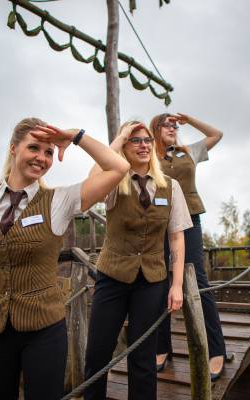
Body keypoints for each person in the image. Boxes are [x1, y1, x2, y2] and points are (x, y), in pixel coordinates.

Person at [0, 118, 130, 400]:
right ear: (13, 149)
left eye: (48, 152)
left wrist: (75, 136)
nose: (42, 158)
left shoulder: (59, 200)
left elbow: (118, 167)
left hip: (44, 331)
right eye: (34, 148)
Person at [84, 122, 193, 400]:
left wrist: (177, 285)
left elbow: (177, 238)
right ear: (124, 147)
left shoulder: (171, 187)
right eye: (135, 140)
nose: (144, 145)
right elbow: (91, 180)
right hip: (112, 277)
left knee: (144, 357)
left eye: (146, 140)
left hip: (152, 281)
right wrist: (118, 138)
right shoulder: (112, 182)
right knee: (98, 352)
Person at [149, 112, 226, 380]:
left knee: (198, 280)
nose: (172, 128)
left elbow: (217, 134)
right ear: (155, 130)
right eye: (166, 124)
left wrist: (189, 119)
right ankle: (161, 348)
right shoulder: (148, 155)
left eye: (174, 125)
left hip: (189, 219)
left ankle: (216, 349)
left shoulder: (188, 151)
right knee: (159, 280)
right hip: (157, 220)